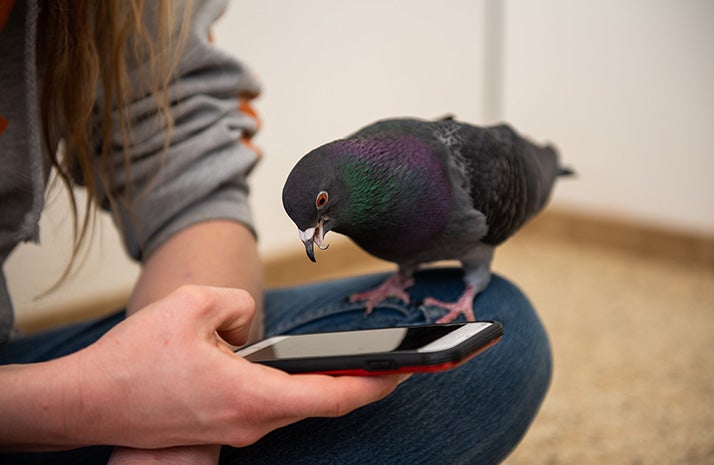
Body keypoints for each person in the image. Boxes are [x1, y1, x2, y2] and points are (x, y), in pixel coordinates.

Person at [0, 1, 552, 464]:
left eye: (317, 215)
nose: (315, 238)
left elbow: (179, 148)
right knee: (463, 357)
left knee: (498, 337)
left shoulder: (457, 171)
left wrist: (174, 434)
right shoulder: (349, 196)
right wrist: (95, 403)